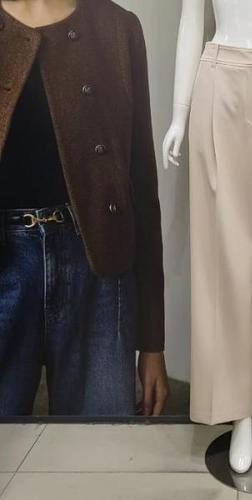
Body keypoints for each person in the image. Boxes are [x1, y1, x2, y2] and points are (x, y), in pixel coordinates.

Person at [0, 0, 169, 416]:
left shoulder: (117, 28)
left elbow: (141, 183)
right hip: (5, 263)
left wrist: (152, 343)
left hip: (97, 270)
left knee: (99, 444)